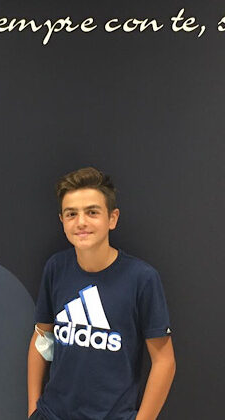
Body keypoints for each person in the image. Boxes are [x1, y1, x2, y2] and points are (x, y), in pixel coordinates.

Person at [27, 167, 176, 420]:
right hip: (52, 414)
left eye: (92, 212)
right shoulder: (56, 267)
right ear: (62, 220)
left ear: (112, 218)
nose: (81, 222)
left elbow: (164, 361)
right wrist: (34, 409)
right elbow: (42, 337)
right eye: (71, 214)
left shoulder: (141, 278)